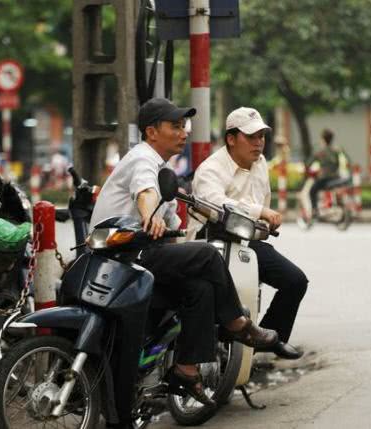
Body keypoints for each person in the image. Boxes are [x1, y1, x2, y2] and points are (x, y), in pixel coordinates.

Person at [89, 98, 278, 406]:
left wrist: (183, 245)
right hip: (120, 258)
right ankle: (236, 324)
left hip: (138, 259)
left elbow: (174, 221)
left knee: (200, 287)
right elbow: (145, 194)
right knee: (207, 257)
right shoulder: (142, 159)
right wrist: (150, 218)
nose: (184, 132)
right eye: (175, 126)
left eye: (184, 126)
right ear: (152, 132)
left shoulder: (163, 169)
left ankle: (186, 369)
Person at [191, 107, 308, 360]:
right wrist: (259, 211)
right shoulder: (210, 169)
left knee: (295, 281)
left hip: (248, 241)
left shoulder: (261, 163)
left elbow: (263, 200)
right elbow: (214, 204)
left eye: (261, 137)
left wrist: (265, 223)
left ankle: (268, 339)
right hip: (212, 243)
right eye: (251, 137)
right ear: (231, 139)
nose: (259, 143)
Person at [308, 129, 350, 212]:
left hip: (324, 179)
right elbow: (345, 161)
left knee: (312, 191)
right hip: (337, 177)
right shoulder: (337, 150)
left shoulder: (320, 151)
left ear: (323, 139)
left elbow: (309, 163)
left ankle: (314, 211)